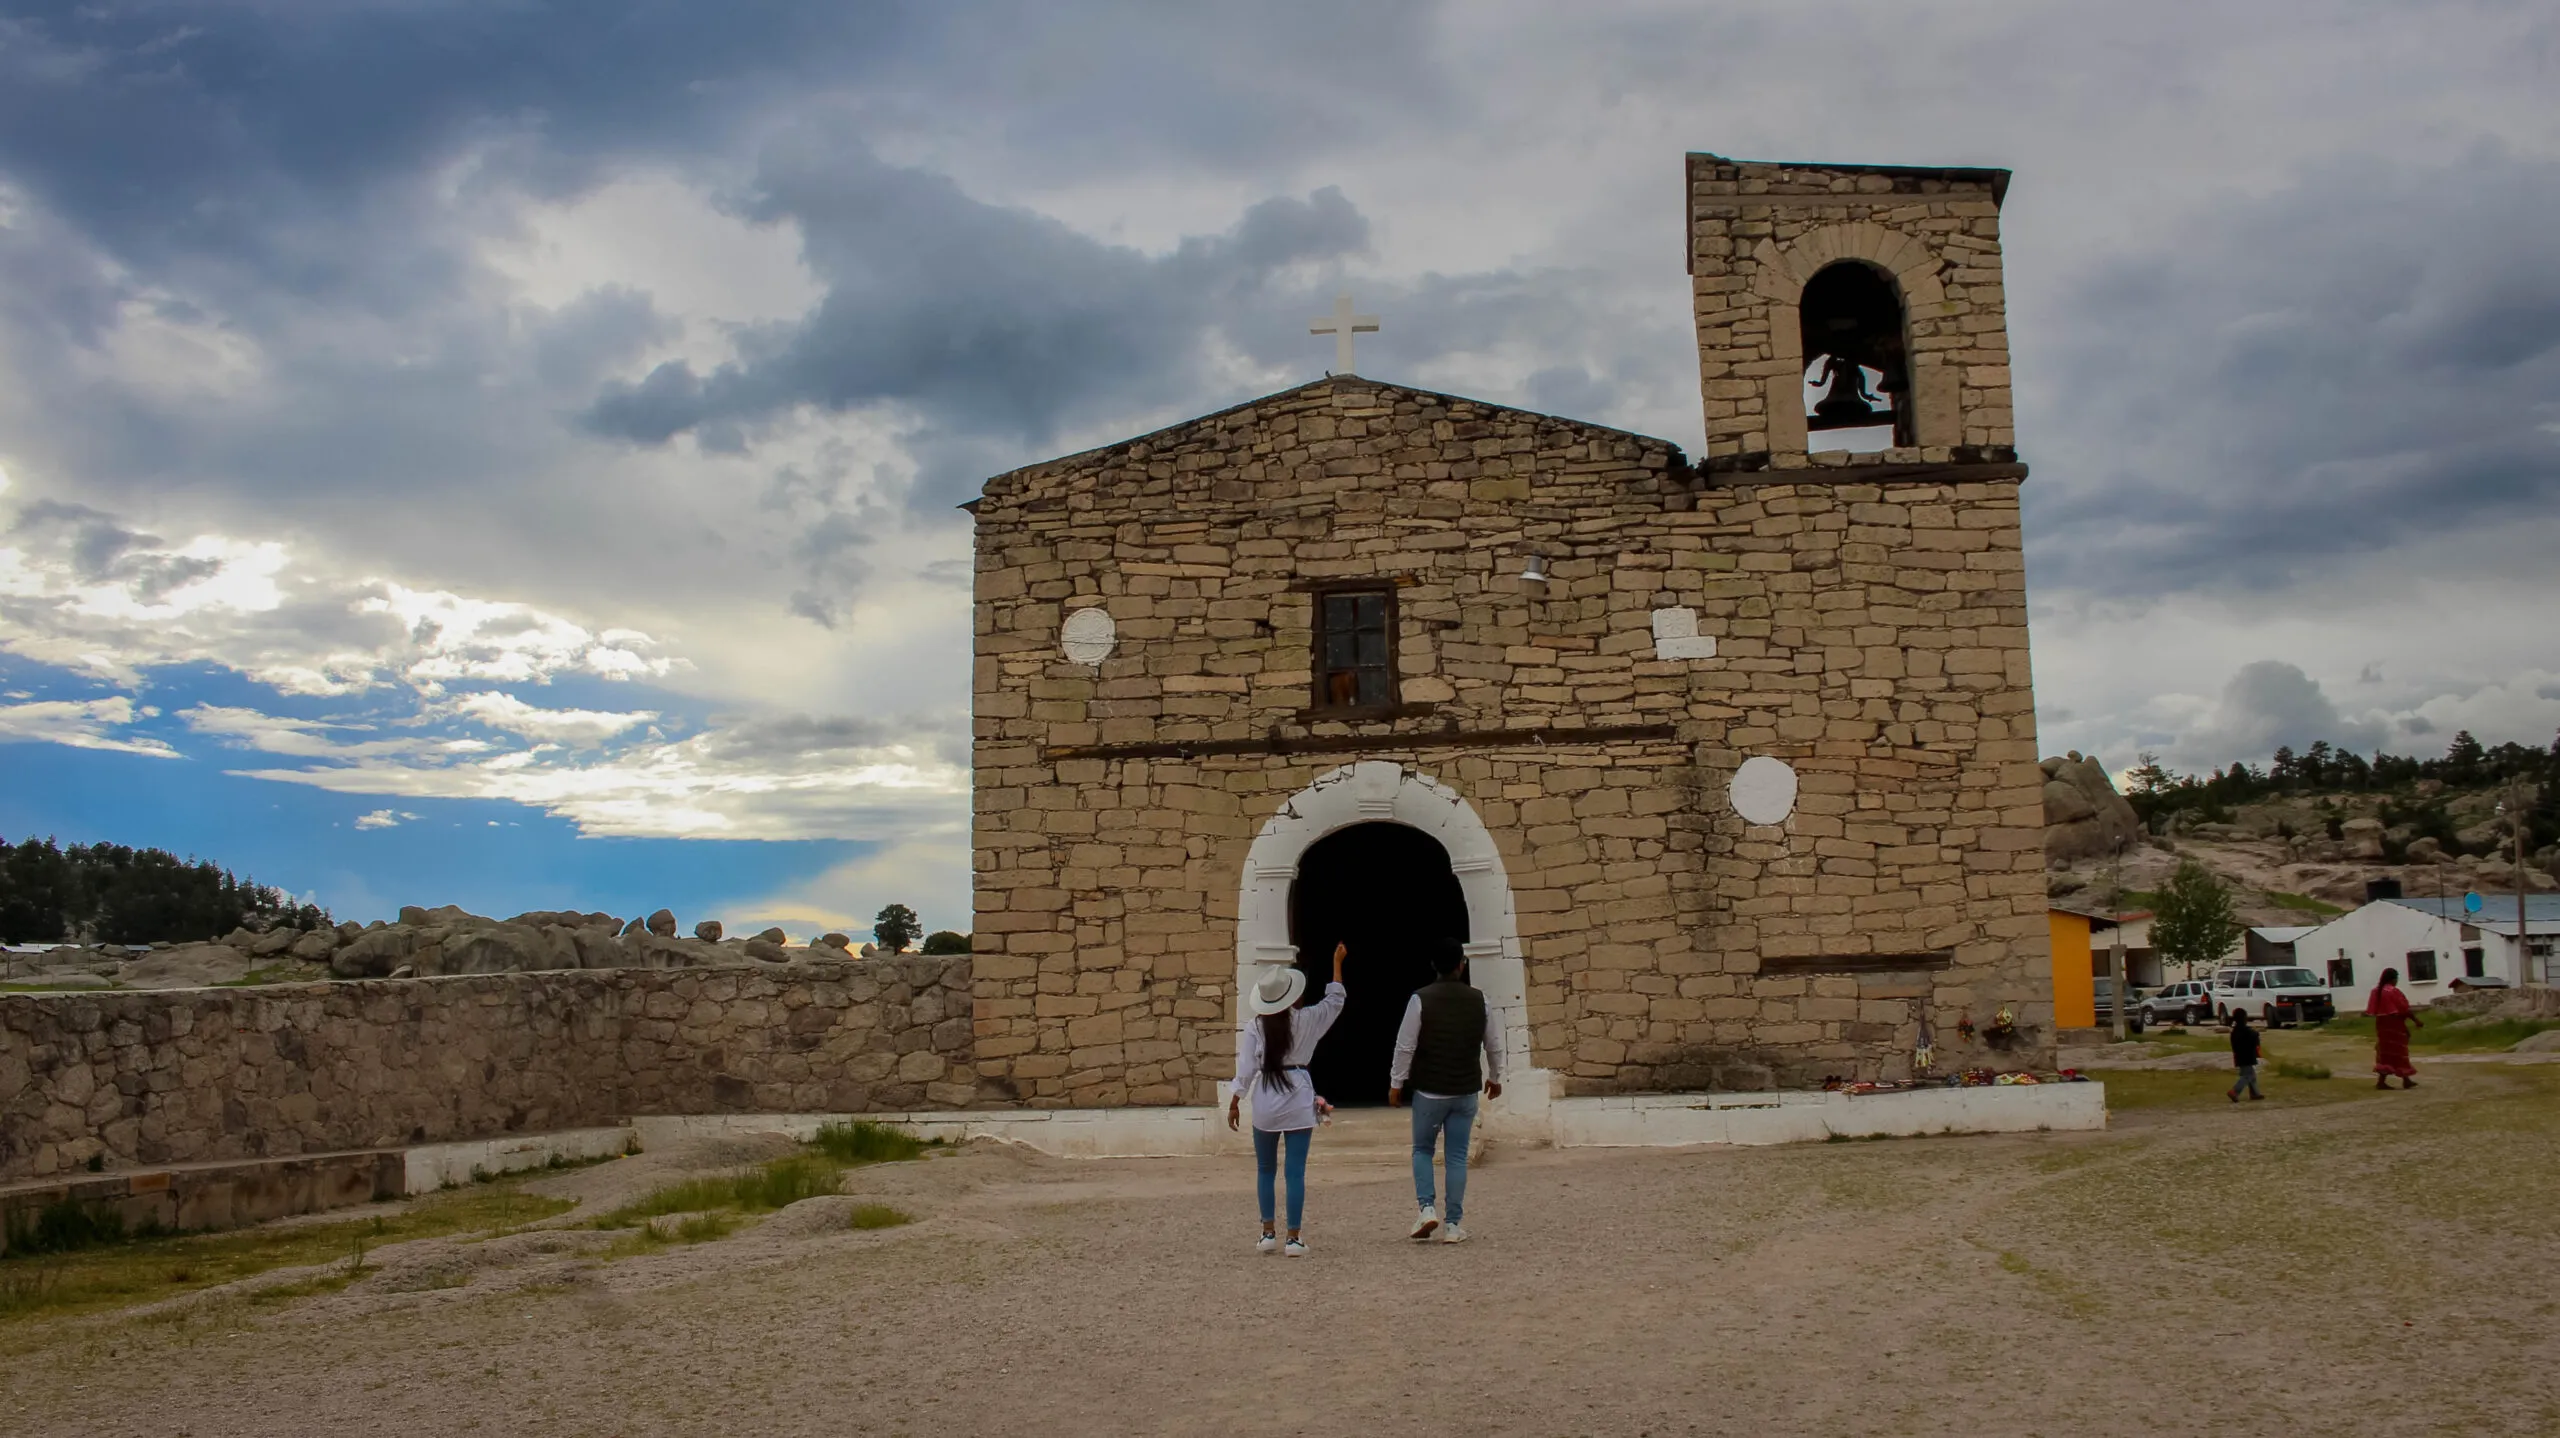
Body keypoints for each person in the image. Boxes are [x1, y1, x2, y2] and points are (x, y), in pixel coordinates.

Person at [1228, 942, 1348, 1257]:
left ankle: (1267, 1233)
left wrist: (1235, 1100)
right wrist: (1337, 963)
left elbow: (1245, 1069)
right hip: (1298, 1097)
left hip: (1266, 1098)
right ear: (1292, 996)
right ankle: (1293, 1238)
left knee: (1265, 1169)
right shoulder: (1307, 1019)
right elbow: (1335, 1001)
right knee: (1295, 1172)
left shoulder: (1255, 1027)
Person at [1387, 936, 1504, 1244]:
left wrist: (1396, 1083)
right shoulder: (1480, 1000)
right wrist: (1495, 1077)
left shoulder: (1420, 999)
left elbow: (1405, 1046)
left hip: (1430, 1091)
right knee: (1456, 1156)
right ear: (1461, 965)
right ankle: (1453, 1224)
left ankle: (1427, 1208)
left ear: (1433, 966)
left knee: (1422, 1150)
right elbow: (1493, 1045)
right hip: (1465, 1090)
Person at [2366, 966, 2422, 1090]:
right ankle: (2403, 1080)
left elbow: (2374, 1010)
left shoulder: (2375, 991)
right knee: (2399, 1051)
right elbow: (2404, 1009)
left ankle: (2397, 1080)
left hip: (2381, 1025)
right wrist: (2416, 1020)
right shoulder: (2393, 991)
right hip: (2394, 1024)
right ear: (2393, 979)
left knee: (2385, 1052)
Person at [2226, 1009, 2264, 1102]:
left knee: (2251, 1075)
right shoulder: (2245, 1030)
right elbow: (2254, 1036)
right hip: (2247, 1057)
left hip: (2239, 1057)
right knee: (2247, 1076)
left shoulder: (2235, 1031)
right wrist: (2257, 1034)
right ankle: (2234, 1091)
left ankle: (2255, 1093)